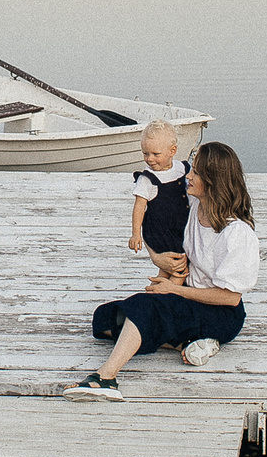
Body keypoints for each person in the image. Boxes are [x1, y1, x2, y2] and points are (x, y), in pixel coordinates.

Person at [68, 140, 256, 401]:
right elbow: (160, 228)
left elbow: (230, 297)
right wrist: (160, 261)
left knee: (146, 309)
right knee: (106, 319)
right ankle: (188, 342)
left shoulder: (237, 233)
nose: (188, 176)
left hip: (221, 314)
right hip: (188, 295)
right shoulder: (196, 209)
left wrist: (173, 292)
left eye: (196, 173)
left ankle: (106, 378)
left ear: (213, 181)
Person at [125, 120, 190, 280]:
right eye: (145, 153)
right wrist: (135, 234)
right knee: (179, 271)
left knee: (167, 272)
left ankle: (156, 291)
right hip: (162, 233)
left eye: (156, 154)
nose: (149, 159)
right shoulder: (147, 179)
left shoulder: (183, 168)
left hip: (182, 228)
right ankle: (164, 295)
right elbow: (139, 207)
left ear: (172, 151)